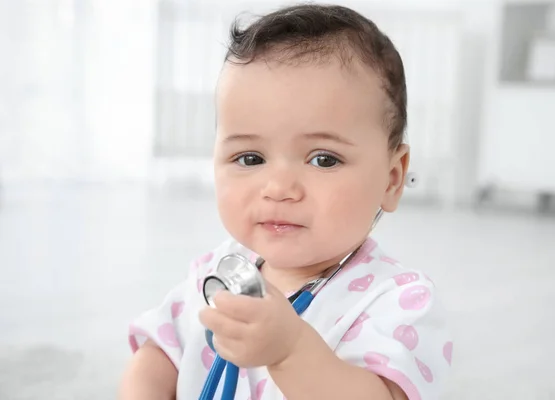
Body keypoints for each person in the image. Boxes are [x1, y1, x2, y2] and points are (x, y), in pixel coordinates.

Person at [119, 3, 452, 399]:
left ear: (392, 178)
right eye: (250, 158)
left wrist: (291, 351)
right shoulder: (221, 273)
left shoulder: (398, 300)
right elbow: (159, 354)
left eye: (323, 159)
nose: (278, 188)